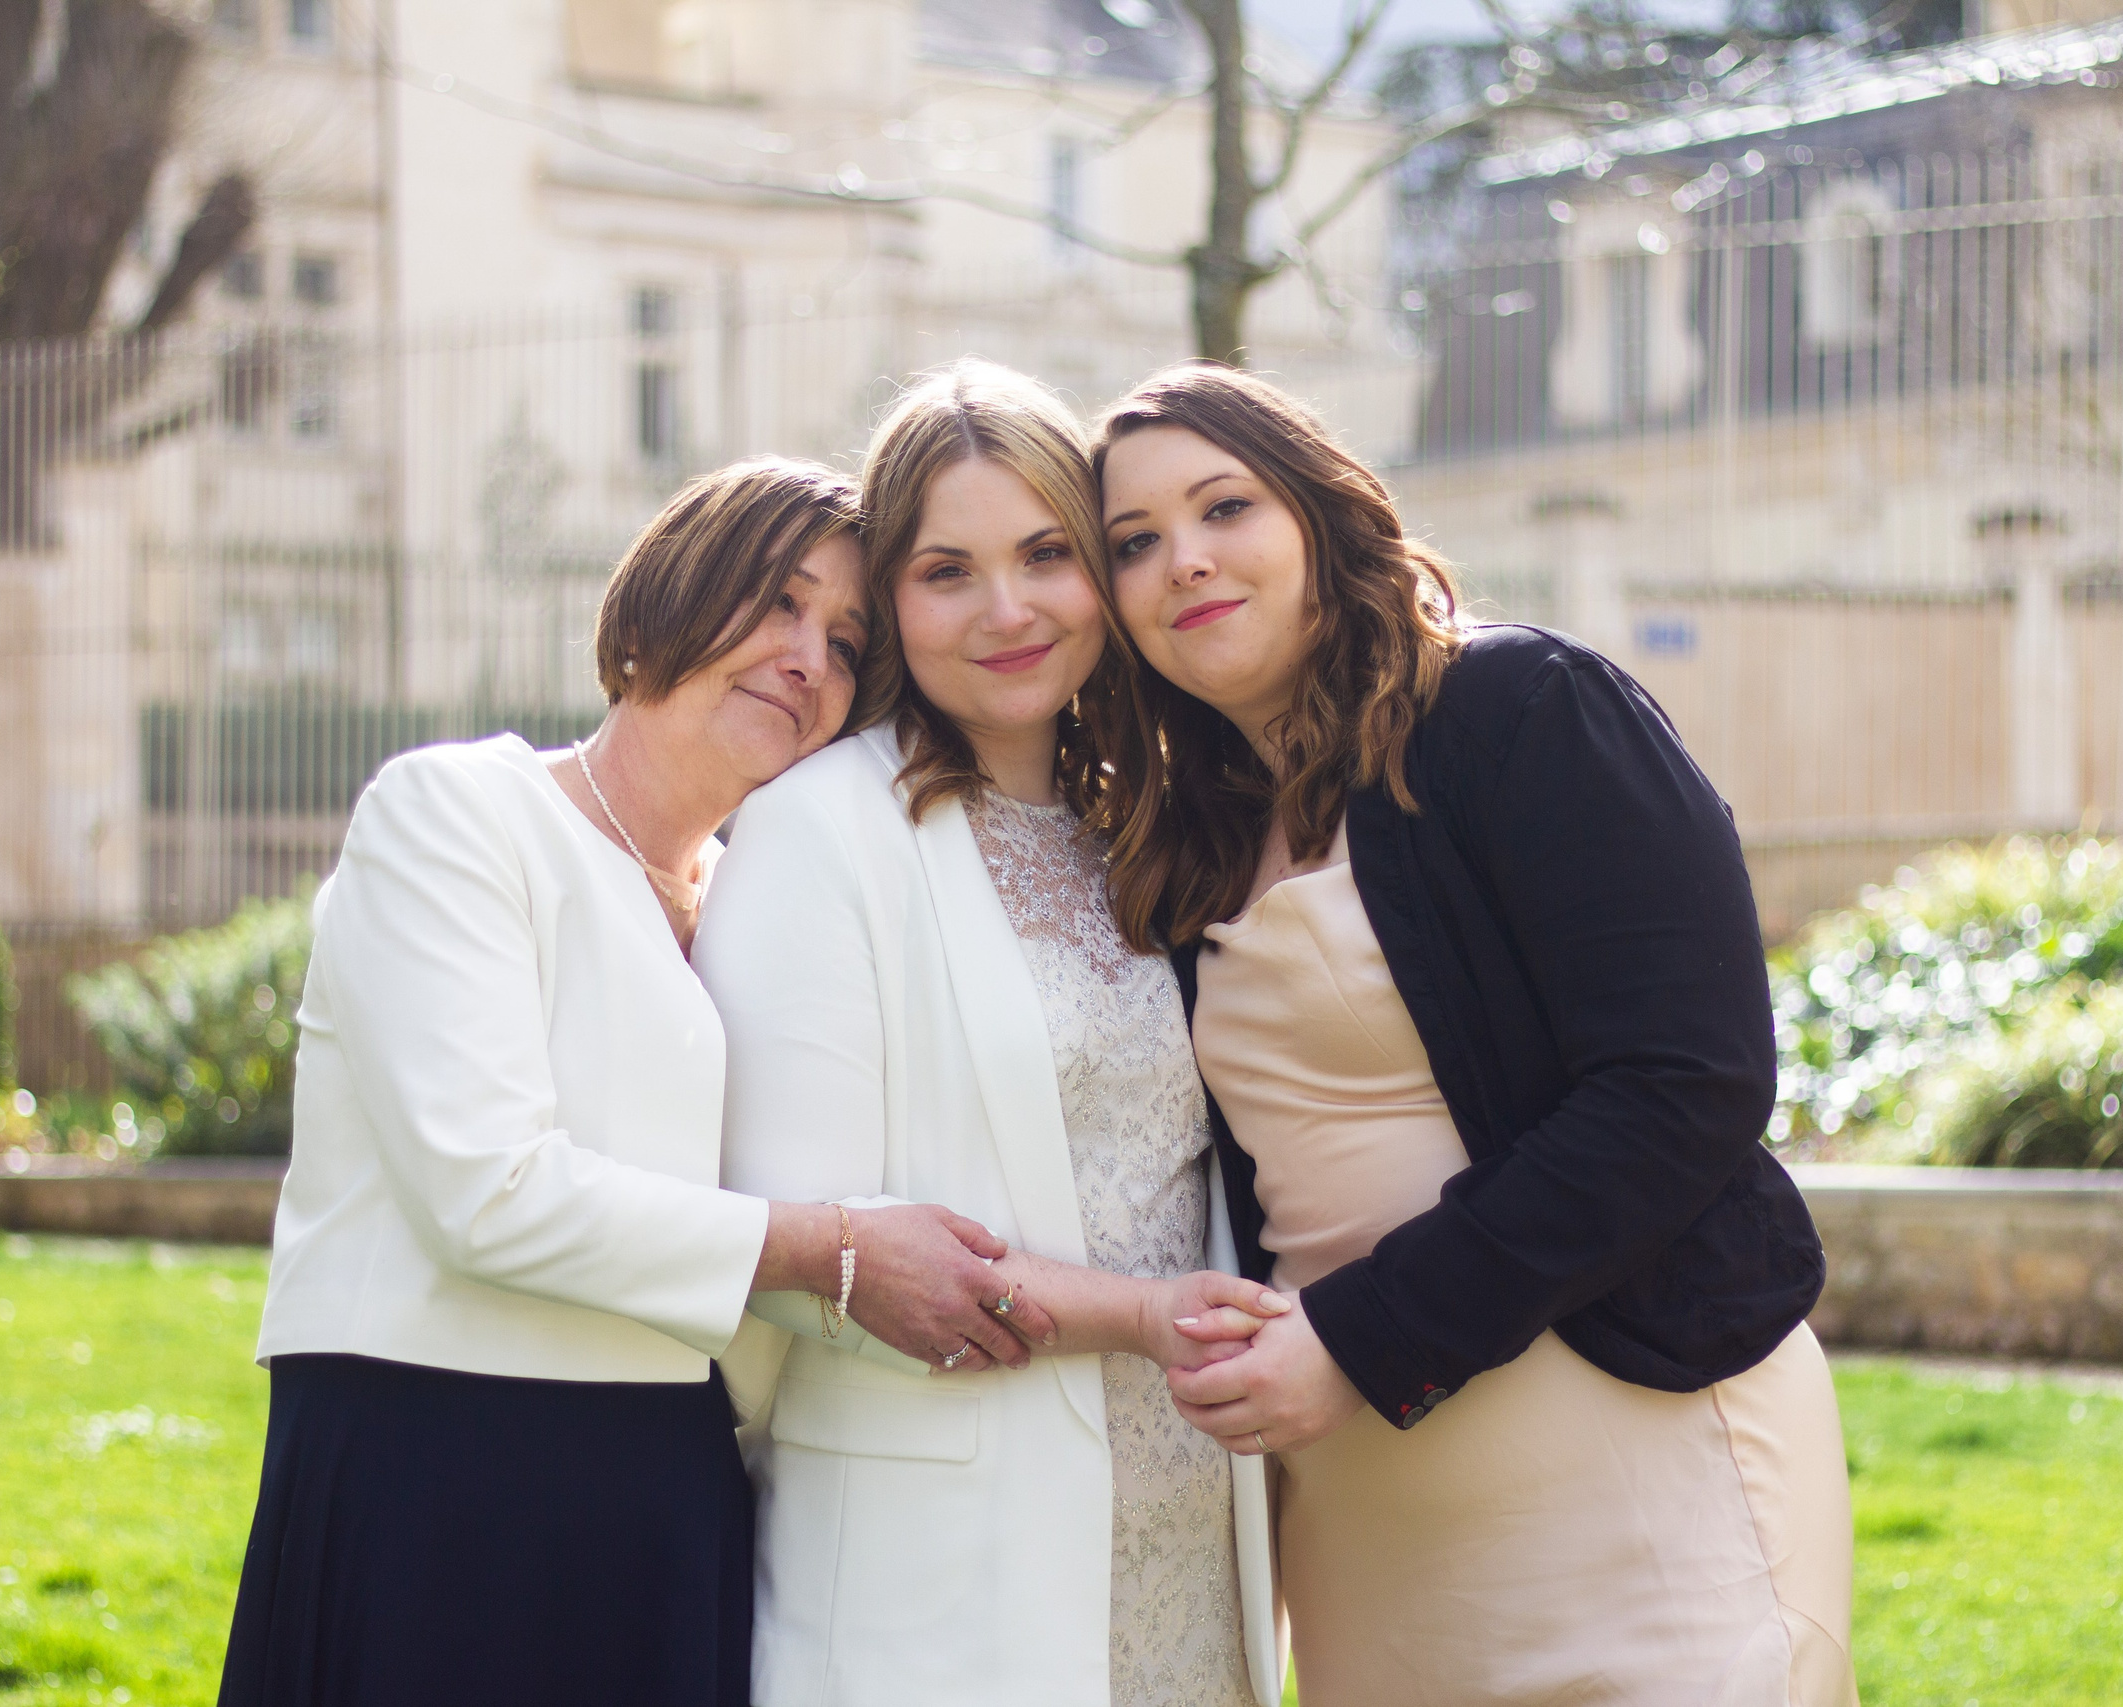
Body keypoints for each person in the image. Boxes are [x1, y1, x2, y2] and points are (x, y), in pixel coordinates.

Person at [216, 456, 1060, 1707]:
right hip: (432, 1467)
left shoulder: (762, 900)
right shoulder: (459, 813)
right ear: (669, 592)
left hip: (671, 1480)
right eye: (775, 603)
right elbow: (486, 1192)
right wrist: (838, 1249)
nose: (805, 660)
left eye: (843, 641)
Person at [1091, 364, 1859, 1707]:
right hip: (1370, 1525)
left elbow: (1685, 1081)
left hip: (1642, 1462)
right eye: (1134, 543)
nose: (1185, 561)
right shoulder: (1191, 834)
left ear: (1323, 516)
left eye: (1225, 506)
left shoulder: (1518, 709)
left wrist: (1362, 1337)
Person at [695, 362, 1286, 1707]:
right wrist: (1142, 1317)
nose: (1008, 608)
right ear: (892, 603)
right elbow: (800, 1254)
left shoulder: (1146, 825)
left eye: (1046, 555)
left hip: (1190, 1525)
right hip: (944, 1563)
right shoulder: (817, 827)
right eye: (947, 569)